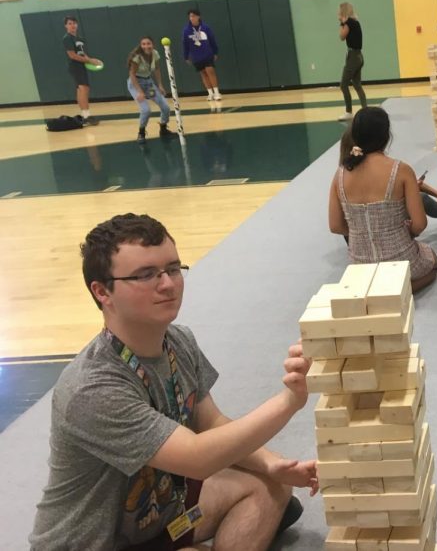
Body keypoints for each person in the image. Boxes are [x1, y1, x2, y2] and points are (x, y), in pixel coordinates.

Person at [30, 214, 318, 550]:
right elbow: (199, 457)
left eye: (172, 268)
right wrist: (288, 402)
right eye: (145, 275)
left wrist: (273, 464)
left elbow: (210, 423)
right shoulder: (92, 389)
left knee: (272, 484)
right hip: (98, 542)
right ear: (102, 291)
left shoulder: (178, 341)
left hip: (159, 514)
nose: (167, 284)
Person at [329, 107, 437, 293]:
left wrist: (361, 231)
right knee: (433, 261)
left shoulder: (340, 174)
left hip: (360, 265)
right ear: (386, 135)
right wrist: (406, 232)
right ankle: (401, 290)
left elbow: (336, 226)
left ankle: (377, 290)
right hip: (401, 259)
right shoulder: (401, 170)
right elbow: (420, 224)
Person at [127, 36, 173, 145]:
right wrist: (140, 92)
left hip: (149, 85)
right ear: (140, 45)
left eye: (148, 44)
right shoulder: (137, 57)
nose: (146, 46)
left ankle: (163, 128)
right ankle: (141, 132)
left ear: (152, 45)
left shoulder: (155, 54)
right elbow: (132, 75)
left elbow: (156, 69)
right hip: (135, 84)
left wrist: (160, 85)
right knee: (146, 110)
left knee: (165, 107)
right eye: (143, 44)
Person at [62, 16, 100, 125]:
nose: (72, 25)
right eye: (69, 23)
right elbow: (72, 55)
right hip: (75, 66)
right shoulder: (67, 38)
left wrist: (91, 60)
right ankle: (86, 116)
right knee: (84, 88)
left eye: (74, 23)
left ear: (77, 24)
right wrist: (88, 61)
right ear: (66, 26)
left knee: (81, 89)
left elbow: (83, 54)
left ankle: (84, 115)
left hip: (82, 66)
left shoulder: (80, 39)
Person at [182, 8, 221, 111]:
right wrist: (186, 56)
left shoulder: (205, 27)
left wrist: (215, 52)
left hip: (207, 53)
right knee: (203, 73)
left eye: (194, 16)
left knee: (210, 71)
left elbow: (212, 40)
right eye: (190, 16)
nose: (192, 18)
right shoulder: (186, 30)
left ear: (198, 16)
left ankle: (217, 92)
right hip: (196, 55)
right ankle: (210, 93)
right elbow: (185, 44)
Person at [338, 2, 366, 122]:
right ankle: (365, 110)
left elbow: (342, 37)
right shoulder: (356, 22)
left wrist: (342, 22)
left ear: (343, 12)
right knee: (357, 85)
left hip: (353, 56)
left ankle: (349, 111)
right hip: (359, 55)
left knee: (343, 84)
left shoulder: (348, 23)